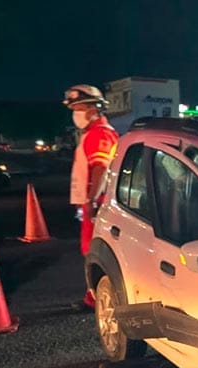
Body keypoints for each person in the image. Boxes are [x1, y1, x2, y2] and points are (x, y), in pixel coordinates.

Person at [62, 84, 119, 309]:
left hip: (99, 202)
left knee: (94, 250)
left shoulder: (100, 134)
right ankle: (94, 295)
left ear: (95, 109)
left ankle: (96, 298)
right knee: (91, 249)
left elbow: (100, 168)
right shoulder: (91, 134)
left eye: (80, 107)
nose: (77, 113)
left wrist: (92, 201)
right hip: (95, 201)